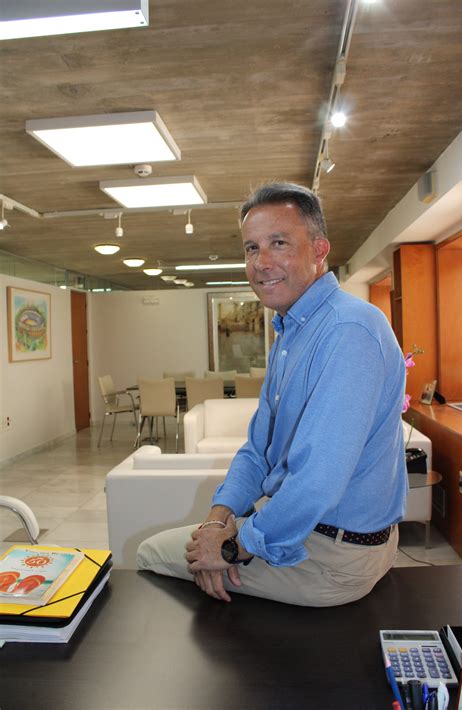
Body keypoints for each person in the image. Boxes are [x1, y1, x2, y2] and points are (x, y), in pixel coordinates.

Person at [137, 182, 407, 607]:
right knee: (198, 546)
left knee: (149, 551)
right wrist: (217, 521)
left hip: (335, 556)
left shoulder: (349, 330)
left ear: (319, 250)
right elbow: (257, 451)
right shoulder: (290, 333)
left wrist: (233, 549)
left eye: (278, 243)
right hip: (309, 534)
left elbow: (317, 481)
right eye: (251, 248)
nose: (261, 263)